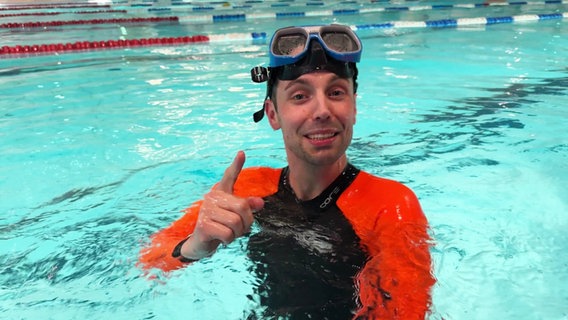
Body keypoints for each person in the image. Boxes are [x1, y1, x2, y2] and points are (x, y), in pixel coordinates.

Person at [139, 24, 435, 319]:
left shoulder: (390, 205)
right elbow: (150, 263)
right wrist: (196, 246)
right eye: (299, 96)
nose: (322, 110)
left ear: (354, 107)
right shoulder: (248, 188)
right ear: (272, 114)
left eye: (335, 92)